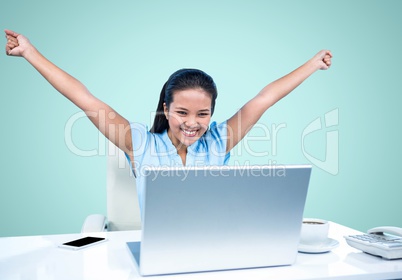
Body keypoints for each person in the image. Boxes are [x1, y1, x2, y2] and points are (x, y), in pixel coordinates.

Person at [4, 29, 332, 212]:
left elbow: (266, 97)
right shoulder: (140, 143)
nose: (192, 123)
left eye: (203, 114)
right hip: (159, 253)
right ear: (165, 108)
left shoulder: (220, 141)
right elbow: (85, 98)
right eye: (182, 113)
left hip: (219, 246)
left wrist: (312, 64)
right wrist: (30, 53)